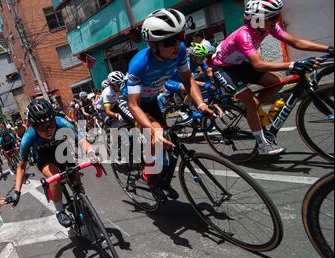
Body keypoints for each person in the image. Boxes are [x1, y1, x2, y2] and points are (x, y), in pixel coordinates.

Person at [212, 0, 333, 155]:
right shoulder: (244, 35)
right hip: (223, 68)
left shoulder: (268, 27)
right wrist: (292, 65)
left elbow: (295, 42)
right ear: (257, 19)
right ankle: (262, 144)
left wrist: (328, 49)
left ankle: (251, 110)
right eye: (273, 18)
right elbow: (258, 65)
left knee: (276, 82)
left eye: (276, 17)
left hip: (239, 64)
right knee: (251, 101)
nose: (276, 21)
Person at [127, 8, 214, 199]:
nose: (176, 45)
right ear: (153, 45)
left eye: (180, 37)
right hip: (136, 104)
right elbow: (134, 105)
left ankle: (163, 177)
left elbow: (188, 80)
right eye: (169, 42)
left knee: (167, 140)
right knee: (156, 135)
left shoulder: (180, 50)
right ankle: (150, 175)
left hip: (153, 100)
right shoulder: (139, 64)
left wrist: (201, 104)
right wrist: (151, 130)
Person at [0, 99, 100, 228]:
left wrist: (91, 154)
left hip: (62, 151)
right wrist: (17, 192)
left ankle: (82, 199)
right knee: (54, 178)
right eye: (42, 127)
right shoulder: (28, 136)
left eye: (51, 124)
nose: (48, 130)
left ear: (54, 119)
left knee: (75, 177)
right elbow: (22, 167)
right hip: (43, 157)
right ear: (34, 126)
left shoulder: (61, 122)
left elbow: (82, 142)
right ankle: (60, 211)